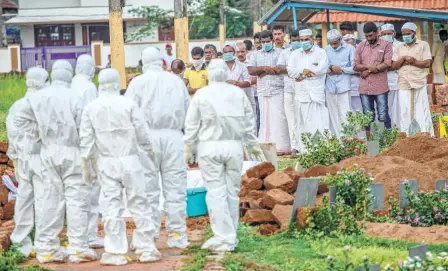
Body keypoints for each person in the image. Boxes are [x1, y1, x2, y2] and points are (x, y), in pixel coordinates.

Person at [14, 60, 97, 263]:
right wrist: (88, 154)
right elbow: (85, 128)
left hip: (47, 152)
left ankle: (46, 248)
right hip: (73, 152)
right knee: (77, 201)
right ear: (70, 75)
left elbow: (19, 119)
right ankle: (78, 248)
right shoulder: (75, 97)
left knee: (48, 201)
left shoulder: (39, 97)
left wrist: (39, 134)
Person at [80, 68, 161, 265]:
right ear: (118, 82)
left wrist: (86, 164)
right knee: (139, 202)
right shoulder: (129, 104)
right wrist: (150, 151)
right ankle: (146, 248)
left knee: (111, 205)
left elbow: (86, 140)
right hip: (130, 160)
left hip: (106, 162)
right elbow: (142, 133)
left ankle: (115, 251)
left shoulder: (91, 107)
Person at [184, 59, 260, 252]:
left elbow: (192, 125)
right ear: (226, 73)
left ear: (209, 73)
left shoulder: (202, 94)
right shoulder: (237, 93)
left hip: (209, 147)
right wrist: (252, 145)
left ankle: (224, 237)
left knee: (215, 192)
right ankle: (230, 235)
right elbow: (249, 122)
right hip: (234, 147)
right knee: (231, 192)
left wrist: (189, 148)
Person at [126, 47, 190, 248]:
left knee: (147, 189)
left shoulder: (137, 83)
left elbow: (128, 114)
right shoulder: (176, 81)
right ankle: (178, 236)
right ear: (163, 62)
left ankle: (149, 233)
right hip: (174, 137)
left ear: (143, 63)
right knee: (176, 189)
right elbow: (188, 111)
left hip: (147, 138)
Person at [7, 67, 48, 258]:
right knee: (44, 199)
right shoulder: (45, 103)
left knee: (24, 197)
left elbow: (12, 131)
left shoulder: (17, 105)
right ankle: (43, 242)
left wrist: (15, 155)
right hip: (41, 157)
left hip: (23, 158)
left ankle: (20, 241)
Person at [71, 54, 103, 249]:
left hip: (69, 144)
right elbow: (92, 117)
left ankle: (78, 235)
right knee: (91, 190)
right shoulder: (89, 87)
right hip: (87, 144)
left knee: (74, 192)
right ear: (90, 68)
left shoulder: (71, 84)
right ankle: (89, 235)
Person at [287, 28, 330, 152]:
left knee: (319, 122)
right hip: (301, 94)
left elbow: (322, 69)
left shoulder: (321, 52)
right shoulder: (295, 54)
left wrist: (304, 75)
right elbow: (290, 70)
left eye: (306, 39)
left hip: (316, 95)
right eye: (301, 40)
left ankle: (321, 148)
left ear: (312, 39)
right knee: (303, 123)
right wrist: (301, 72)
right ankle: (306, 149)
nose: (304, 42)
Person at [248, 30, 290, 154]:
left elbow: (282, 68)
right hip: (263, 91)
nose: (265, 43)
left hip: (278, 89)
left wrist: (263, 72)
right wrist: (264, 68)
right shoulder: (255, 55)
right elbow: (251, 70)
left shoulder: (281, 53)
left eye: (268, 41)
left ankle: (283, 147)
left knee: (280, 118)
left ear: (272, 40)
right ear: (260, 42)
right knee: (265, 119)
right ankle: (266, 146)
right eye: (263, 42)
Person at [391, 22, 434, 135]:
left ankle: (424, 135)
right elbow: (393, 65)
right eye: (403, 34)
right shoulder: (398, 47)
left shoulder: (423, 44)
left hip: (418, 82)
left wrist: (414, 61)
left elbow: (427, 63)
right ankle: (407, 136)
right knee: (405, 111)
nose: (405, 36)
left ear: (414, 33)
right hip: (403, 83)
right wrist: (404, 59)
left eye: (408, 34)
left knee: (421, 110)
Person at [354, 22, 393, 130]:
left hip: (380, 87)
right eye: (366, 36)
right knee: (367, 117)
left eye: (371, 35)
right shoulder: (360, 46)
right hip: (365, 87)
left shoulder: (386, 45)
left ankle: (386, 143)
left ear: (377, 32)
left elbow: (387, 64)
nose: (369, 38)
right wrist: (370, 67)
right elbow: (356, 66)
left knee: (383, 115)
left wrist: (368, 71)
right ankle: (370, 145)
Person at [325, 29, 356, 138]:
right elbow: (324, 67)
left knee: (346, 114)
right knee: (333, 115)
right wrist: (330, 67)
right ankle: (337, 142)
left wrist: (340, 70)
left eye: (335, 43)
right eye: (331, 43)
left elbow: (355, 68)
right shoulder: (326, 50)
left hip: (344, 86)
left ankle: (348, 141)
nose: (333, 46)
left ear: (340, 39)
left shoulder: (350, 49)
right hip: (330, 87)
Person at [276, 30, 302, 154]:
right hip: (289, 90)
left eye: (298, 39)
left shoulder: (306, 53)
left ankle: (304, 145)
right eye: (294, 39)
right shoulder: (285, 52)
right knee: (291, 119)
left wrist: (290, 70)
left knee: (303, 118)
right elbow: (279, 68)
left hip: (303, 90)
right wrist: (295, 71)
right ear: (290, 39)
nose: (296, 41)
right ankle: (294, 147)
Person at [380, 24, 403, 128]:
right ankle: (386, 130)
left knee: (398, 107)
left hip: (396, 80)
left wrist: (386, 66)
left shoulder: (400, 45)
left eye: (389, 33)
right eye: (384, 34)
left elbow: (400, 63)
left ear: (394, 33)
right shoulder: (377, 45)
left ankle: (398, 129)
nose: (386, 35)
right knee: (384, 108)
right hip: (381, 81)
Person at [223, 42, 253, 114]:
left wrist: (236, 83)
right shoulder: (219, 66)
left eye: (230, 51)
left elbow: (248, 82)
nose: (228, 53)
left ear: (234, 52)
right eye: (225, 52)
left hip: (239, 100)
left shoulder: (242, 66)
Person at [237, 41, 259, 134]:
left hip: (249, 95)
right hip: (236, 99)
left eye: (242, 51)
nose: (240, 54)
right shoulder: (232, 64)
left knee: (251, 121)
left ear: (246, 51)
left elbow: (255, 79)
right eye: (238, 52)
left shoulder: (251, 63)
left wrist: (239, 83)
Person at [343, 34, 363, 112]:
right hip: (345, 86)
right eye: (345, 40)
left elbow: (361, 69)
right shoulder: (342, 52)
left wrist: (343, 70)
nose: (347, 42)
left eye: (349, 40)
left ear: (354, 41)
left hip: (358, 85)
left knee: (359, 109)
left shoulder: (361, 50)